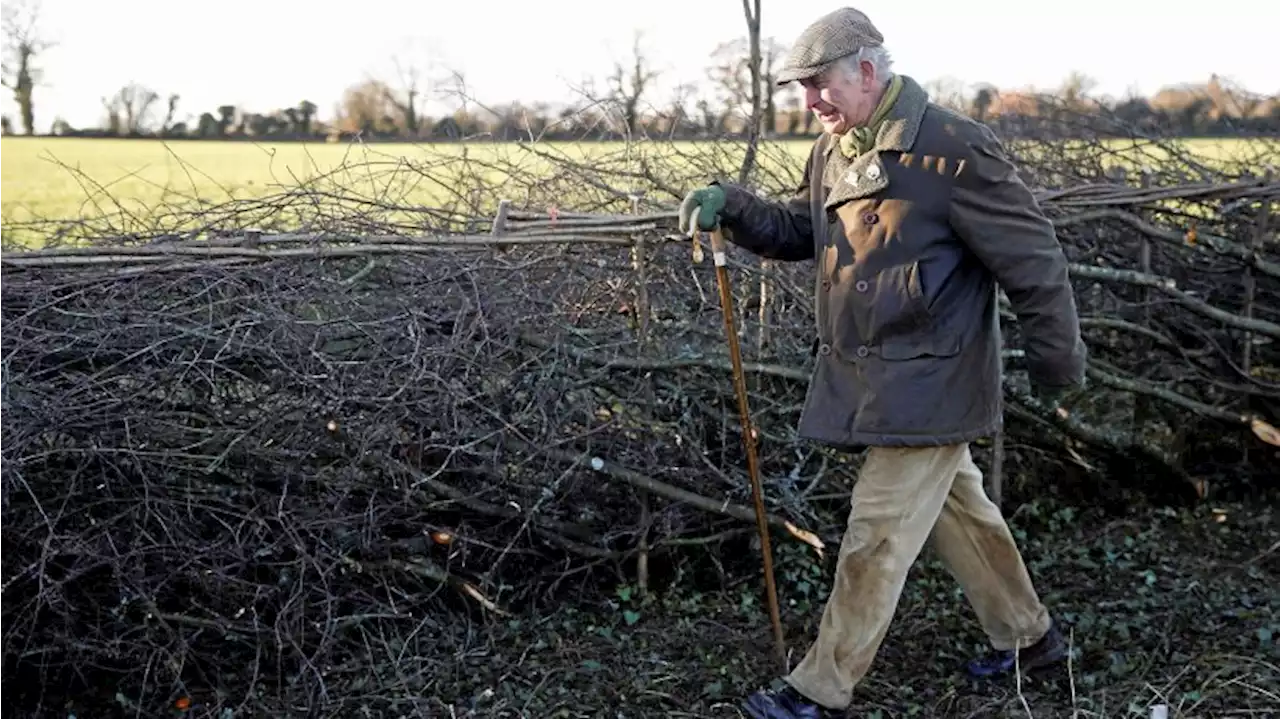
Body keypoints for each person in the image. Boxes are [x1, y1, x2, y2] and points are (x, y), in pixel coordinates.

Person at [677, 6, 1088, 719]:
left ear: (867, 70)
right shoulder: (834, 150)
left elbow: (1035, 262)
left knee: (875, 532)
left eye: (819, 84)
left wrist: (1058, 364)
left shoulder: (954, 147)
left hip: (936, 378)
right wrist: (736, 208)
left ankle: (820, 688)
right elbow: (805, 231)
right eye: (801, 88)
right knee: (962, 512)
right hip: (878, 379)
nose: (809, 102)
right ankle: (1030, 638)